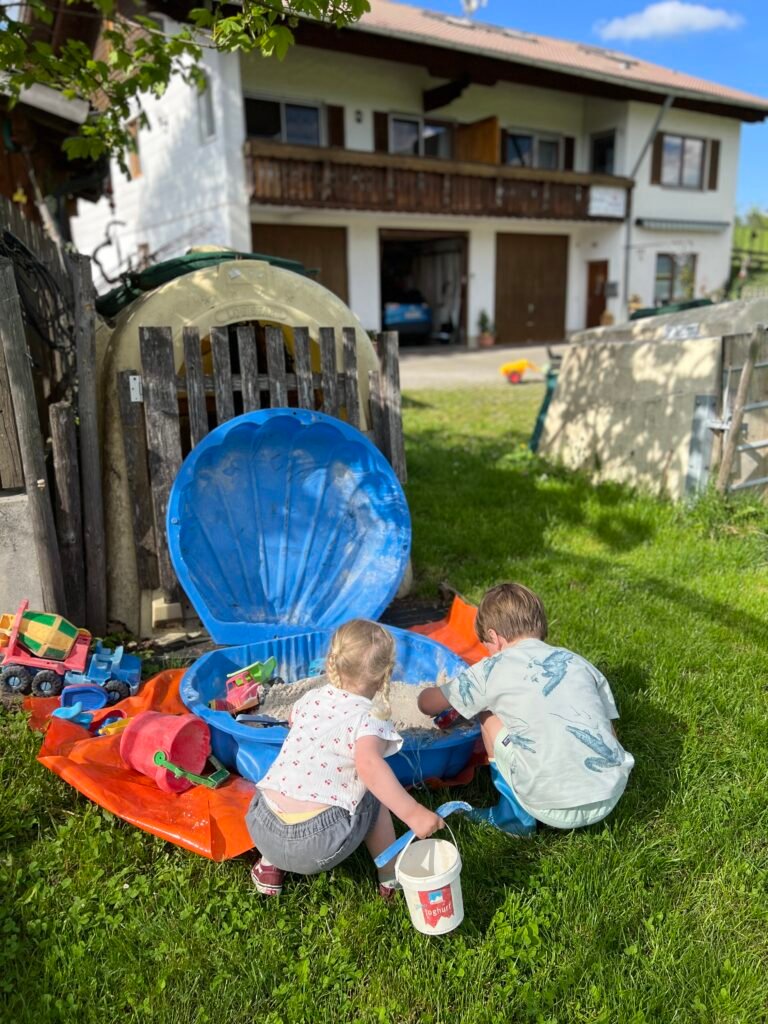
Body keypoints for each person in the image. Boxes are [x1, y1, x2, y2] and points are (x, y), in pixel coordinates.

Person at [246, 619, 444, 896]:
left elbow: (292, 720)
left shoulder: (311, 698)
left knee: (291, 767)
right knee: (373, 788)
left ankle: (269, 866)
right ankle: (390, 873)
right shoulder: (369, 718)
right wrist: (414, 814)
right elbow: (369, 765)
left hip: (261, 826)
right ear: (384, 676)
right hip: (315, 843)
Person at [417, 583, 634, 835]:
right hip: (609, 793)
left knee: (487, 714)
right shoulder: (579, 663)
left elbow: (427, 704)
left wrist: (427, 693)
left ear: (494, 637)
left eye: (486, 645)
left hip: (548, 803)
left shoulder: (491, 668)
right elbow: (609, 729)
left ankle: (513, 818)